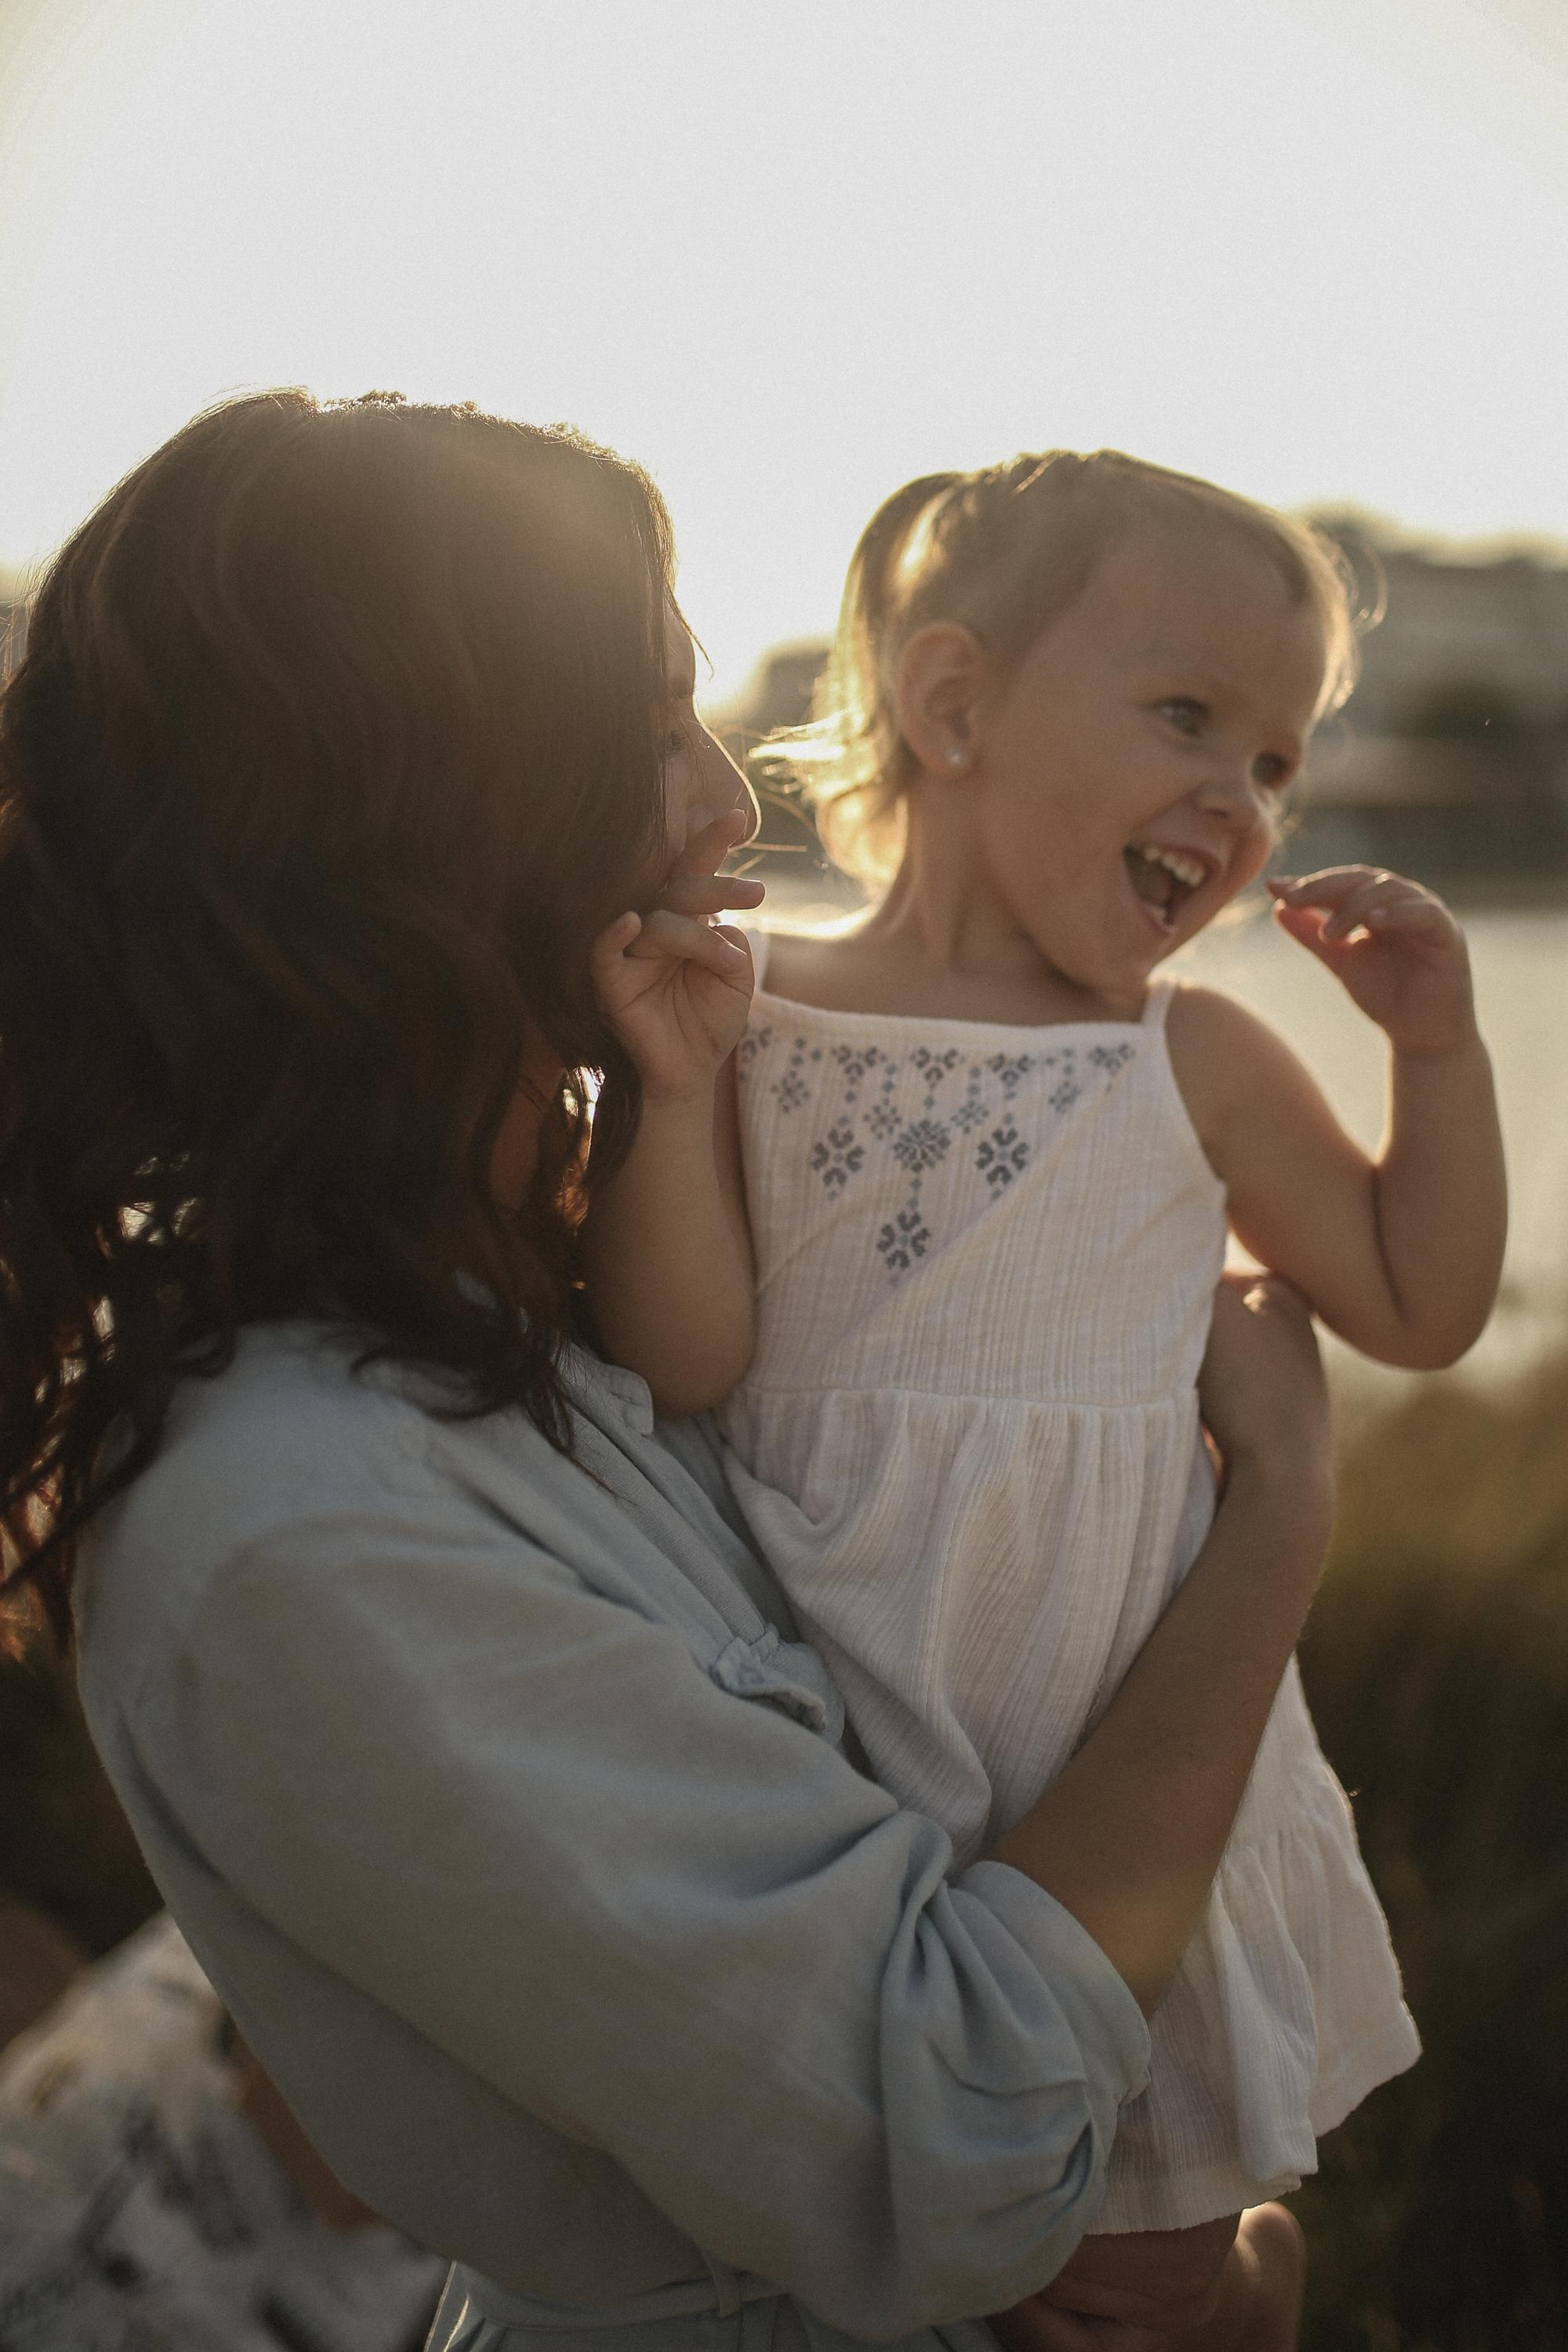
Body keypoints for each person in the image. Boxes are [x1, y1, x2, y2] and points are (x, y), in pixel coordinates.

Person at [1, 390, 1330, 2351]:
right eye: (640, 730)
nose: (728, 804)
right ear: (407, 816)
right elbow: (960, 2140)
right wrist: (1274, 1521)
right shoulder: (298, 1521)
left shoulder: (536, 1316)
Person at [586, 456, 1507, 2307]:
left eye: (1275, 761)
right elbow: (679, 1362)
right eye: (1186, 716)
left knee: (1126, 2279)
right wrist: (668, 1102)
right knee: (836, 2239)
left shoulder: (1190, 1057)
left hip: (1122, 1761)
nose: (1238, 800)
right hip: (819, 1736)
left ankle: (1247, 2295)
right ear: (952, 704)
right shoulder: (742, 1008)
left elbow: (1418, 1306)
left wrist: (1437, 1049)